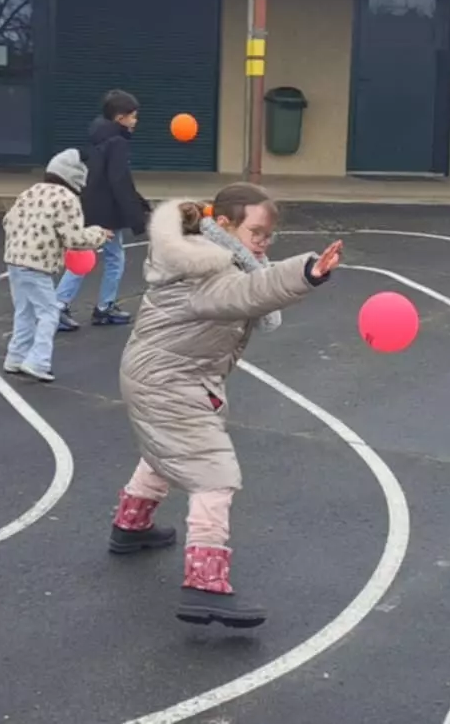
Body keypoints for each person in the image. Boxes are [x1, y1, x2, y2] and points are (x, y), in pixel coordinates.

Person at [107, 183, 343, 628]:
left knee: (167, 451)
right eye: (257, 232)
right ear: (225, 225)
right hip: (169, 379)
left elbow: (250, 283)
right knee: (214, 472)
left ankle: (130, 527)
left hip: (172, 373)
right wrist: (307, 272)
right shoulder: (207, 269)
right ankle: (204, 586)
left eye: (269, 235)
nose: (264, 243)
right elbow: (248, 292)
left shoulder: (212, 255)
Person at [1, 149, 112, 383]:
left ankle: (16, 357)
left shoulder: (30, 192)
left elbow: (7, 220)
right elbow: (74, 238)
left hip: (14, 259)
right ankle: (38, 361)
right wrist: (99, 234)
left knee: (25, 311)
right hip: (38, 263)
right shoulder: (67, 199)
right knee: (49, 312)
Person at [56, 88, 150, 332]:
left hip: (92, 204)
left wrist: (138, 202)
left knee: (91, 256)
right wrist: (136, 216)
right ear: (120, 118)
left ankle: (78, 306)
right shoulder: (117, 142)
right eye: (133, 116)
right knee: (106, 258)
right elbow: (118, 180)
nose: (136, 121)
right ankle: (72, 306)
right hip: (106, 210)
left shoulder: (99, 136)